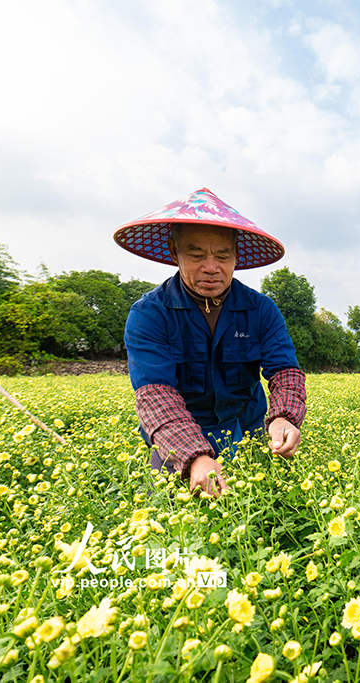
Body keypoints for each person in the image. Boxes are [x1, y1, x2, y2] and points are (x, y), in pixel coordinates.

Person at [115, 188, 307, 497]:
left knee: (266, 508)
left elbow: (285, 370)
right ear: (173, 251)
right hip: (180, 434)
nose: (211, 267)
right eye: (195, 254)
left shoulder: (261, 310)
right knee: (166, 521)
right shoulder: (149, 315)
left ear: (236, 257)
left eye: (222, 255)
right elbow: (155, 395)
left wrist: (284, 416)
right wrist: (195, 456)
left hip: (248, 428)